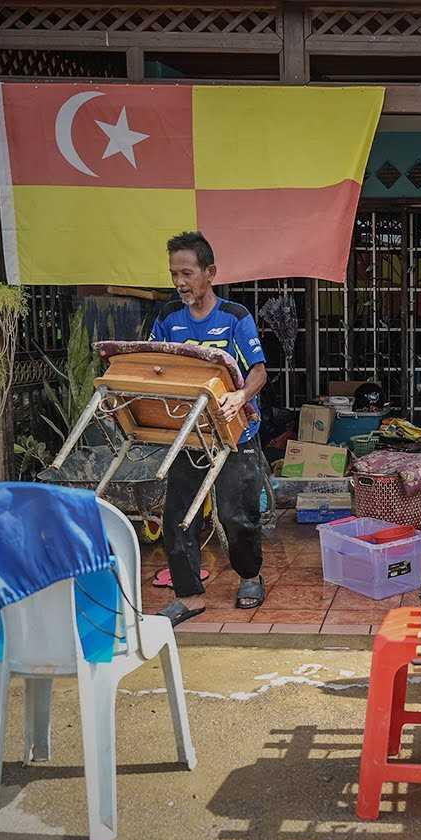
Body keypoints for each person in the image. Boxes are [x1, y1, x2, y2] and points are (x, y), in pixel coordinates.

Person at [149, 231, 268, 626]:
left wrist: (241, 397)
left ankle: (250, 576)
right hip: (188, 434)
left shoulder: (235, 317)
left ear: (210, 272)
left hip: (235, 435)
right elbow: (153, 363)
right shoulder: (167, 318)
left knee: (237, 515)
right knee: (178, 516)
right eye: (173, 275)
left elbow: (259, 372)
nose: (180, 282)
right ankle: (189, 595)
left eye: (186, 273)